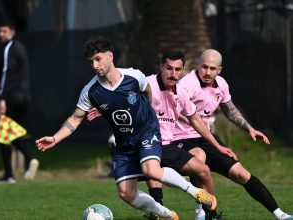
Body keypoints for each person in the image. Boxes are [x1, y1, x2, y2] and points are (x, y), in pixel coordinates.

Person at [36, 36, 217, 219]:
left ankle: (196, 192)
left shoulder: (133, 76)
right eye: (91, 62)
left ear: (110, 56)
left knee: (151, 170)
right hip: (124, 142)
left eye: (98, 59)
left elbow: (147, 92)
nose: (95, 65)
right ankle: (166, 214)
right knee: (125, 192)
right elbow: (75, 119)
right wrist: (55, 137)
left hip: (147, 130)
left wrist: (146, 114)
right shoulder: (90, 91)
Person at [88, 50, 230, 220]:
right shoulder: (146, 83)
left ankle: (211, 215)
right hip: (145, 143)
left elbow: (196, 121)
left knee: (203, 170)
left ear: (183, 70)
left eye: (178, 70)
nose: (173, 74)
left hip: (167, 145)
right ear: (161, 66)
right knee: (144, 176)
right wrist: (105, 108)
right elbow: (121, 98)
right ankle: (160, 211)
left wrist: (218, 145)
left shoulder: (182, 92)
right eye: (169, 68)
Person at [174, 49, 293, 220]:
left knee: (241, 174)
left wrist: (249, 128)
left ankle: (280, 215)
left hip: (207, 137)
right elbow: (175, 110)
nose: (208, 72)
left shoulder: (221, 84)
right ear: (198, 66)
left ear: (219, 70)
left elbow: (230, 111)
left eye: (212, 69)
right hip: (182, 137)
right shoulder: (187, 84)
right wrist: (195, 121)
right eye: (204, 67)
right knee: (198, 159)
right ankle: (201, 209)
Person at [0, 20, 39, 184]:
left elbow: (7, 74)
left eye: (4, 31)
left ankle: (9, 174)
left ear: (12, 31)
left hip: (12, 97)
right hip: (25, 97)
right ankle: (28, 161)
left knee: (3, 136)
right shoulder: (20, 47)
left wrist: (2, 98)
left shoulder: (9, 48)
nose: (1, 34)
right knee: (10, 134)